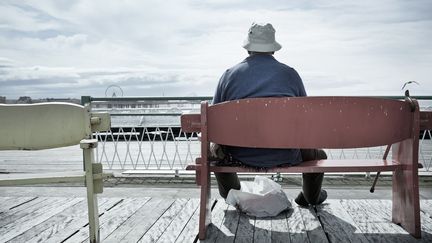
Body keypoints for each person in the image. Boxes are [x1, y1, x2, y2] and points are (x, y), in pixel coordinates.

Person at [211, 22, 327, 207]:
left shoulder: (229, 75)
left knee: (216, 154)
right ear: (273, 49)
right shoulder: (290, 75)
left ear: (248, 48)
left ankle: (233, 195)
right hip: (285, 154)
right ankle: (311, 197)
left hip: (239, 154)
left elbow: (215, 123)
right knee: (319, 154)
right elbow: (304, 120)